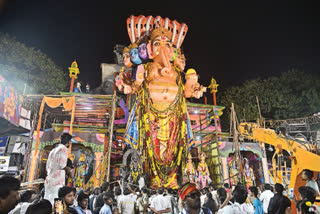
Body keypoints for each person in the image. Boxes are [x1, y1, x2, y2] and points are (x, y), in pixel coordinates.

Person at [44, 133, 72, 205]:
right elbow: (62, 165)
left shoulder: (53, 150)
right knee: (57, 201)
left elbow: (47, 165)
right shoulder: (63, 149)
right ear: (68, 141)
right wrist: (68, 169)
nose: (71, 143)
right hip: (57, 180)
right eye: (70, 141)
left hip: (50, 179)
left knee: (48, 199)